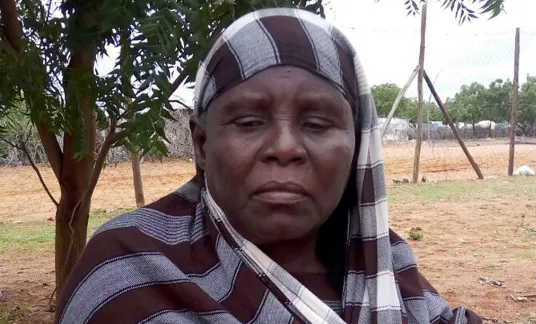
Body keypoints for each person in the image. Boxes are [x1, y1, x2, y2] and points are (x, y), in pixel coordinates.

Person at [55, 8, 482, 324]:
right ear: (202, 143)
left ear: (357, 145)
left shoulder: (386, 270)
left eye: (316, 124)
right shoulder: (127, 271)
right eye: (249, 122)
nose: (284, 148)